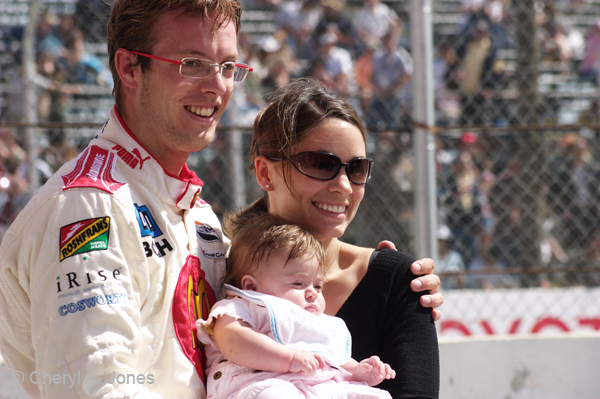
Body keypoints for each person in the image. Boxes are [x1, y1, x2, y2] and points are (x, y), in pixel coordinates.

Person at [0, 2, 441, 399]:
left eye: (228, 66)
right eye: (192, 63)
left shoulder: (198, 215)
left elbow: (261, 311)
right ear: (130, 68)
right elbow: (97, 389)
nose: (217, 85)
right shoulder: (88, 207)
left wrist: (383, 278)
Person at [242, 77, 440, 398]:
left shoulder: (398, 281)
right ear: (265, 173)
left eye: (357, 168)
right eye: (321, 164)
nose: (344, 186)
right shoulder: (222, 270)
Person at [197, 212, 395, 398]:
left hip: (318, 388)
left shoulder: (317, 323)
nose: (312, 293)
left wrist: (360, 372)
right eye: (298, 283)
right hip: (258, 383)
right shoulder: (245, 307)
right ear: (251, 286)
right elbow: (233, 341)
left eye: (318, 285)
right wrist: (288, 359)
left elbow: (332, 356)